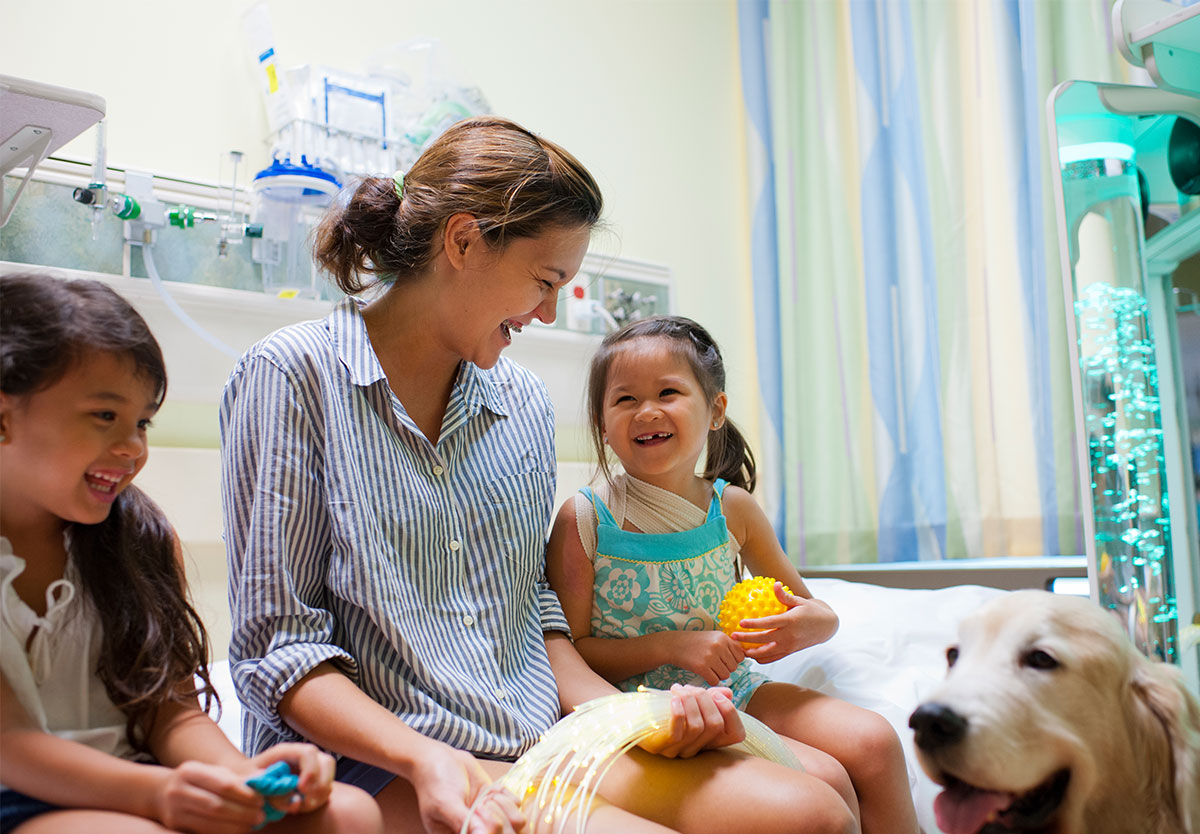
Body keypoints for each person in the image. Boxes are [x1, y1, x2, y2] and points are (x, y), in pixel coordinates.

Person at [220, 116, 858, 834]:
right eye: (546, 280)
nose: (550, 312)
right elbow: (280, 651)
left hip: (533, 737)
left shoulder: (518, 402)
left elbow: (534, 613)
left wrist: (630, 714)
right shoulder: (292, 377)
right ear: (463, 241)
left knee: (815, 813)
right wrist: (426, 759)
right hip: (378, 760)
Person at [0, 273, 383, 834]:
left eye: (142, 422)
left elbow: (168, 709)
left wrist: (240, 780)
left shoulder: (139, 541)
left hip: (141, 779)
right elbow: (12, 744)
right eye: (105, 416)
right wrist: (160, 795)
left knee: (349, 815)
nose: (133, 447)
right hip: (20, 792)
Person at [545, 315, 920, 834]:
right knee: (826, 778)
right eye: (625, 399)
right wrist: (674, 648)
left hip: (737, 689)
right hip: (644, 707)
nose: (646, 410)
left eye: (669, 392)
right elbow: (573, 649)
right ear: (602, 422)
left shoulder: (733, 509)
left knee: (876, 741)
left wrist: (805, 626)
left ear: (715, 410)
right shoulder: (584, 519)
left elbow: (815, 611)